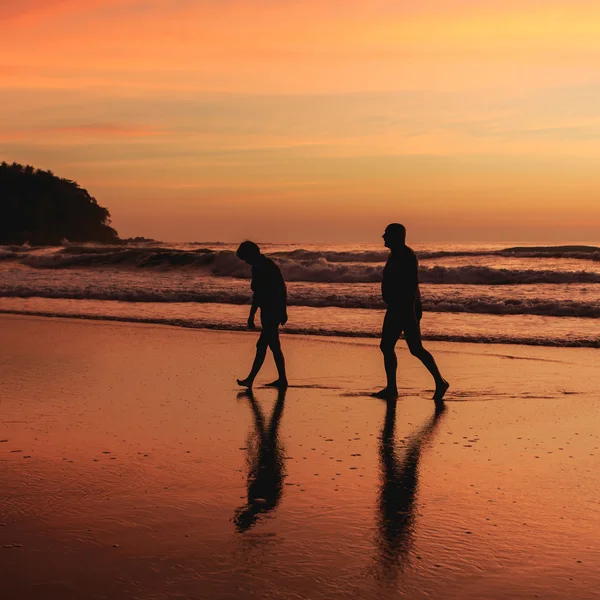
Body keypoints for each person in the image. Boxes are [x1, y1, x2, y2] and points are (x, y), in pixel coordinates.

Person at [373, 223, 449, 401]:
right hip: (397, 307)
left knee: (415, 349)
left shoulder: (406, 255)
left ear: (396, 236)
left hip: (403, 309)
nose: (383, 237)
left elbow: (412, 285)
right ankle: (392, 388)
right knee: (388, 346)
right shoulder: (396, 254)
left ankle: (440, 382)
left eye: (387, 234)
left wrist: (412, 313)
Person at [236, 241, 288, 389]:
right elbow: (279, 289)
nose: (245, 262)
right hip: (270, 310)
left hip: (271, 311)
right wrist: (282, 310)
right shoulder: (263, 265)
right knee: (272, 346)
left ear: (251, 253)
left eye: (245, 258)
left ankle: (251, 379)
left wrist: (251, 316)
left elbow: (270, 291)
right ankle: (281, 379)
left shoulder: (263, 267)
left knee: (264, 345)